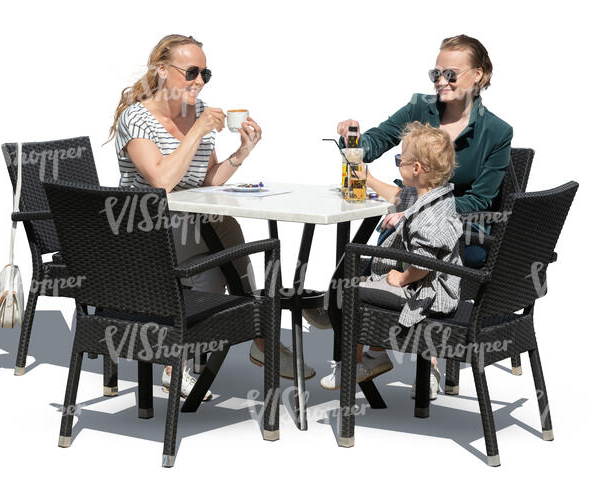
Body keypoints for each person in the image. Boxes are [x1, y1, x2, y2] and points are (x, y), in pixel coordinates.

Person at [107, 34, 315, 399]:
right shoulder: (136, 118)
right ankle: (264, 334)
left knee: (219, 262)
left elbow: (206, 180)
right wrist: (197, 132)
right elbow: (160, 181)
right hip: (143, 232)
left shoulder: (199, 111)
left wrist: (241, 154)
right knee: (224, 248)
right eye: (191, 72)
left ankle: (185, 361)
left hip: (189, 227)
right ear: (161, 70)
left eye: (205, 73)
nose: (199, 81)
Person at [320, 122, 463, 398]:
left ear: (417, 169)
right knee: (353, 278)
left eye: (400, 161)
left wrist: (401, 278)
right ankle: (369, 356)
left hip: (426, 295)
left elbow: (422, 263)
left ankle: (353, 363)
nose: (399, 164)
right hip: (433, 288)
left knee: (343, 293)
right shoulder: (435, 196)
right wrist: (368, 178)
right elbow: (399, 196)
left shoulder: (429, 216)